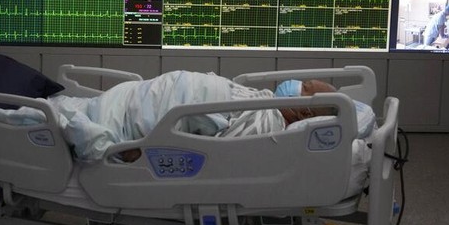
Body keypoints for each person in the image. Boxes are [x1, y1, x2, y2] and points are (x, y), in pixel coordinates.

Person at [49, 71, 338, 162]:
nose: (299, 82)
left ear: (304, 110)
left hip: (156, 112)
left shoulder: (268, 126)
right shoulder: (268, 103)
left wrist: (147, 149)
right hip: (155, 93)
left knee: (60, 112)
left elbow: (220, 151)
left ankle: (58, 112)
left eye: (306, 87)